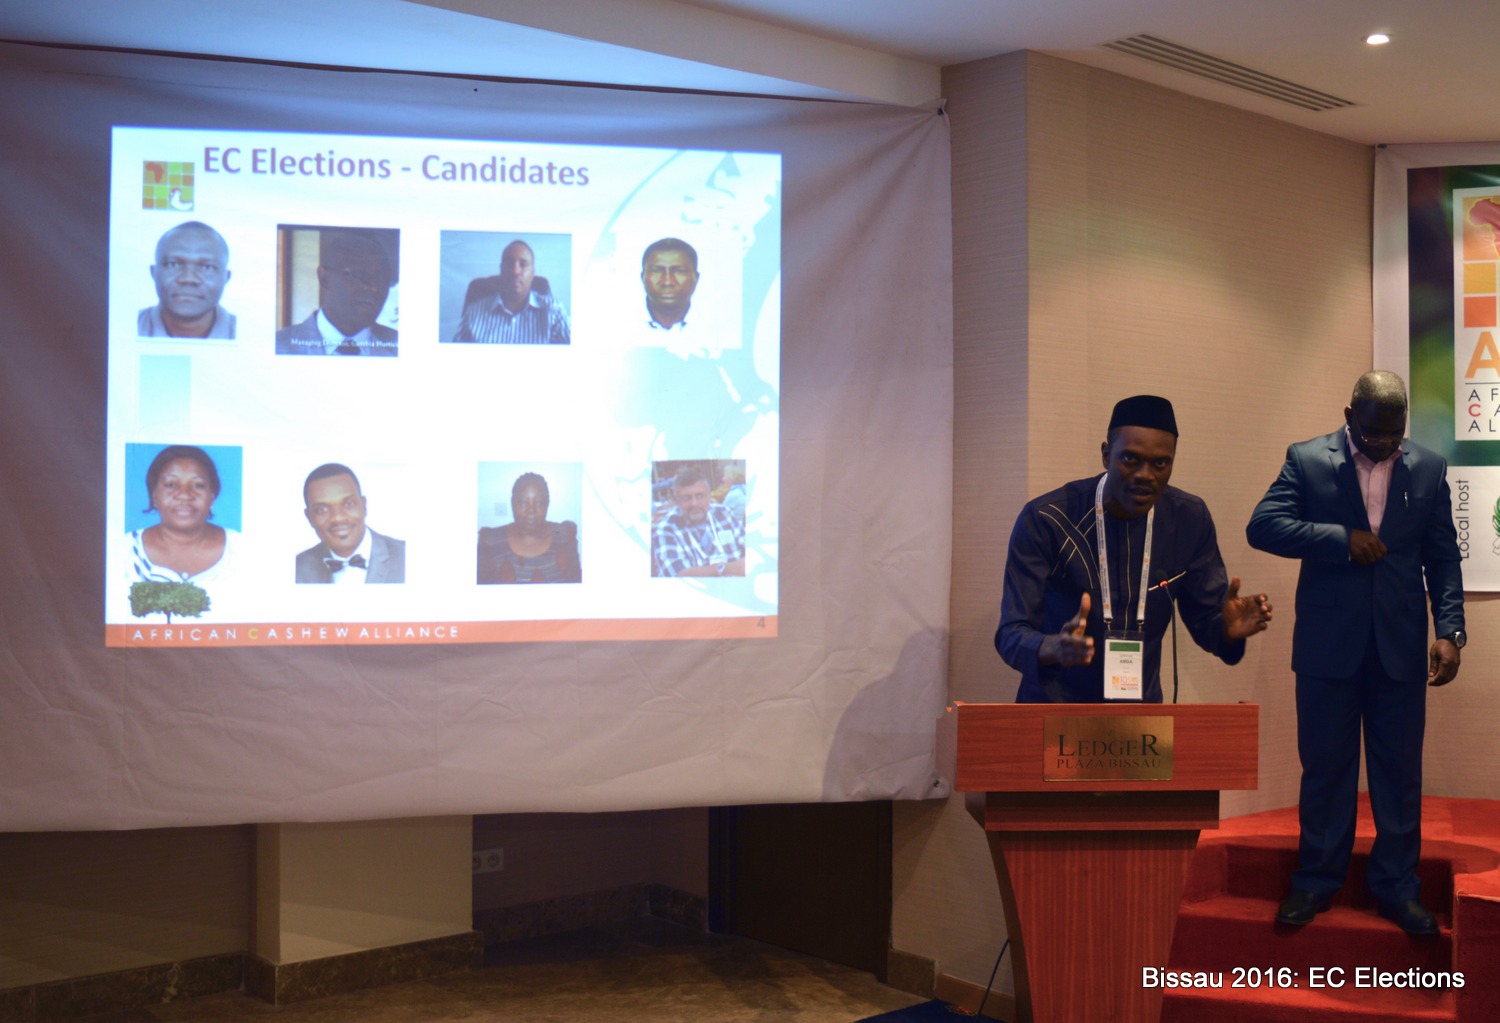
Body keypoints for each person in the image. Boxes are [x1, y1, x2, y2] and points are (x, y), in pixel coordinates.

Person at [1247, 371, 1465, 935]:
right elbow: (1263, 526)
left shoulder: (1430, 467)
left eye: (1396, 432)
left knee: (1399, 773)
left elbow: (1443, 557)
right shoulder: (1307, 459)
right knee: (1326, 769)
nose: (1386, 443)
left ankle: (1397, 887)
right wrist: (1339, 539)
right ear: (1349, 416)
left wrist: (1450, 631)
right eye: (1373, 433)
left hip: (1400, 646)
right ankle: (1316, 881)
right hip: (1327, 646)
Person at [996, 395, 1272, 703]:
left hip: (1141, 716)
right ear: (1106, 455)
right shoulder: (1048, 519)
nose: (1145, 474)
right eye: (1130, 459)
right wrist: (1053, 647)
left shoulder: (1189, 519)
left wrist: (1226, 630)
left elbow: (1205, 619)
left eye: (1160, 463)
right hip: (1054, 707)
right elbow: (1011, 632)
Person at [119, 445, 238, 619]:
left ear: (212, 497)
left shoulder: (242, 549)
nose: (184, 494)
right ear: (154, 496)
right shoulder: (123, 551)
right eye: (171, 485)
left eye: (198, 485)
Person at [275, 231, 398, 356]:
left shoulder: (404, 346)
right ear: (324, 278)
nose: (375, 288)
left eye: (383, 279)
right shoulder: (277, 346)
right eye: (360, 275)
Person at [295, 464, 406, 583]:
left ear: (364, 505)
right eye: (321, 509)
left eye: (348, 504)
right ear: (309, 517)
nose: (337, 517)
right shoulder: (297, 567)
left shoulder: (406, 555)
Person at [453, 240, 570, 344]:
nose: (515, 271)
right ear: (501, 270)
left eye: (523, 264)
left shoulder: (553, 312)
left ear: (533, 272)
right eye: (509, 263)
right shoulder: (474, 313)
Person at [476, 473, 581, 583]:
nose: (531, 510)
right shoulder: (491, 541)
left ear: (547, 504)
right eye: (523, 503)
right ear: (513, 504)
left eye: (539, 503)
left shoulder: (563, 535)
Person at [137, 222, 236, 338]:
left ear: (226, 277)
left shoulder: (248, 333)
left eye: (207, 267)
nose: (189, 278)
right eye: (173, 264)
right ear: (154, 273)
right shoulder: (125, 325)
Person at [653, 467, 745, 577]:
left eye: (700, 496)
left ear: (709, 496)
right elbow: (676, 576)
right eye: (686, 498)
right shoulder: (666, 528)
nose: (694, 503)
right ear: (676, 500)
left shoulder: (724, 513)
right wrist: (725, 569)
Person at [641, 237, 699, 331]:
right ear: (642, 277)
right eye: (656, 271)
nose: (667, 282)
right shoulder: (621, 324)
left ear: (696, 278)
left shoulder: (716, 325)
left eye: (679, 271)